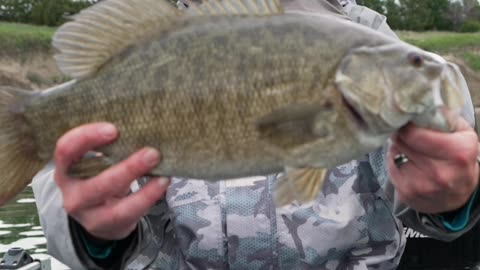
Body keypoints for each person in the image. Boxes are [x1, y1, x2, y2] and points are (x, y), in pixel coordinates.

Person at [32, 0, 480, 269]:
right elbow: (66, 181)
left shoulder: (367, 38)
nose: (421, 68)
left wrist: (455, 198)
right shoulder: (154, 34)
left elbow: (446, 133)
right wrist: (96, 235)